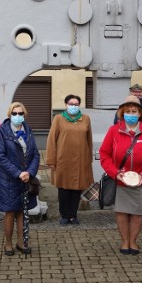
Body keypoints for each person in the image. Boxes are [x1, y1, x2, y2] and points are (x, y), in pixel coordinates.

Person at [100, 95, 142, 255]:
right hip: (121, 181)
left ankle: (133, 241)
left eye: (134, 111)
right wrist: (115, 173)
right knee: (121, 212)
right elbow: (104, 154)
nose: (131, 114)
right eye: (127, 111)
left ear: (140, 113)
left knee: (138, 213)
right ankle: (124, 241)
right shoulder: (114, 131)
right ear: (122, 113)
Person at [0, 102, 40, 256]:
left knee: (22, 211)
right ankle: (8, 243)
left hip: (25, 179)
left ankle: (21, 242)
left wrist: (29, 172)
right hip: (9, 180)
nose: (18, 116)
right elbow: (0, 156)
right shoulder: (3, 131)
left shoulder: (28, 130)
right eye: (14, 113)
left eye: (20, 113)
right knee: (10, 212)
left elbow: (35, 154)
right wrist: (18, 173)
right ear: (9, 114)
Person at [114, 84, 142, 225]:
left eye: (140, 93)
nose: (131, 114)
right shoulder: (115, 126)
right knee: (123, 207)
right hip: (122, 174)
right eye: (135, 92)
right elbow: (107, 151)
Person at [46, 94, 94, 225]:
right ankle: (64, 215)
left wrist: (89, 159)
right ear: (66, 105)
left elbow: (89, 139)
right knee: (64, 188)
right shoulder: (58, 119)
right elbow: (51, 140)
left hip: (81, 160)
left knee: (77, 188)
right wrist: (51, 160)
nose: (74, 106)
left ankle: (73, 214)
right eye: (71, 104)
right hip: (63, 160)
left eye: (76, 104)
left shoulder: (85, 119)